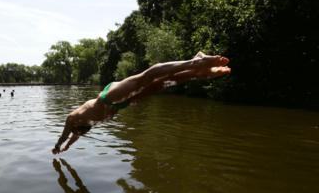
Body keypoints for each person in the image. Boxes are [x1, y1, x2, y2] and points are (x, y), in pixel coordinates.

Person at [52, 52, 231, 154]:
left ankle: (195, 62)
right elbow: (74, 136)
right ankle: (198, 72)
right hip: (122, 103)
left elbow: (66, 129)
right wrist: (67, 146)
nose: (75, 134)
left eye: (75, 132)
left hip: (108, 97)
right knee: (161, 84)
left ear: (76, 126)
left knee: (146, 77)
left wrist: (58, 145)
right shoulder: (83, 126)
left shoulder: (74, 118)